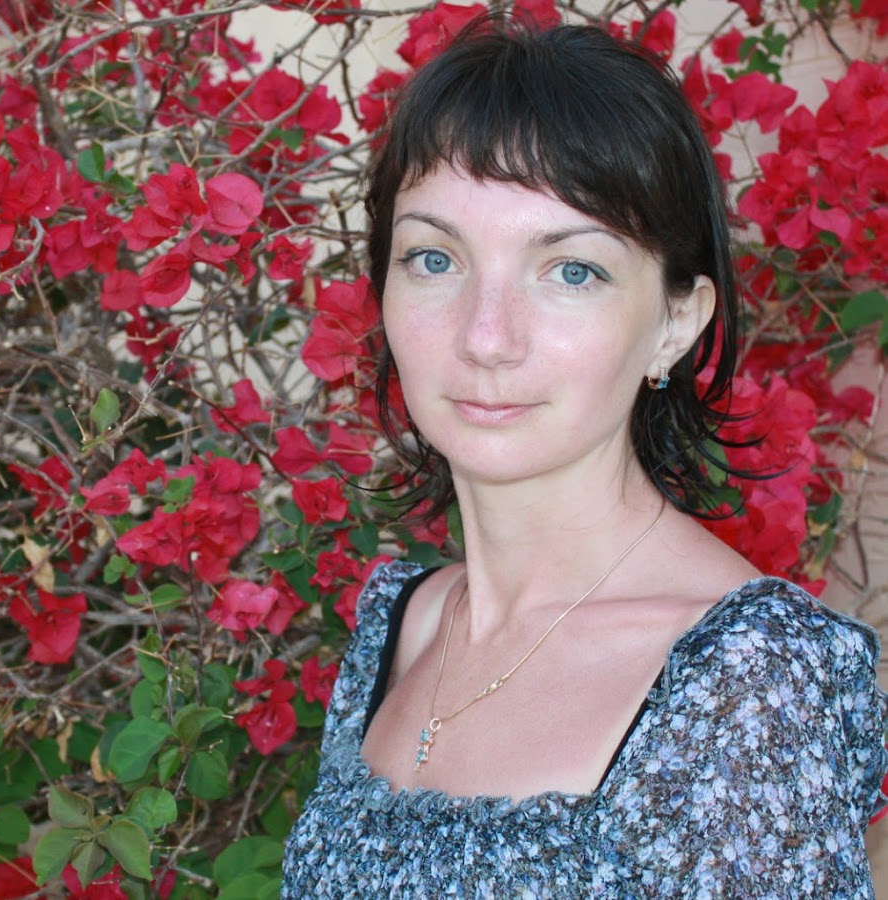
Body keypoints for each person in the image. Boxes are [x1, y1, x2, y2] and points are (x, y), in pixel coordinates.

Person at [281, 16, 888, 899]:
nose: (486, 337)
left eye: (572, 271)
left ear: (675, 323)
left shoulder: (746, 681)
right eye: (435, 258)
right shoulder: (401, 622)